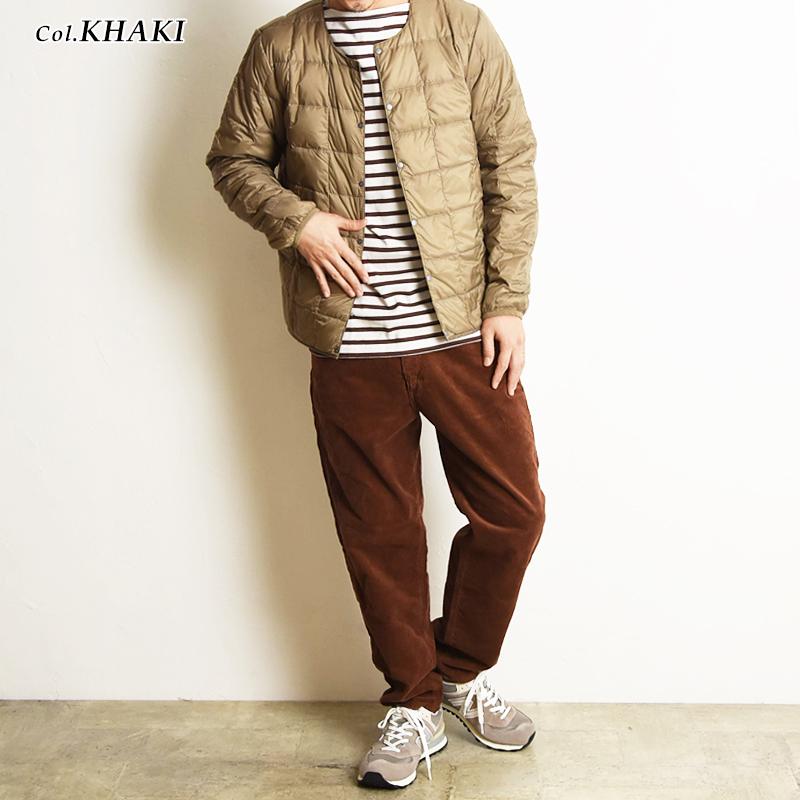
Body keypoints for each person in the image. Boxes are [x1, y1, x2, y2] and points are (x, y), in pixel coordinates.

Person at [205, 0, 545, 788]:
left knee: (515, 512)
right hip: (348, 342)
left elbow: (511, 163)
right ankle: (413, 701)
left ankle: (458, 670)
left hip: (462, 331)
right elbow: (233, 159)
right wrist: (295, 221)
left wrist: (506, 299)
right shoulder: (278, 46)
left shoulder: (459, 27)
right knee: (379, 534)